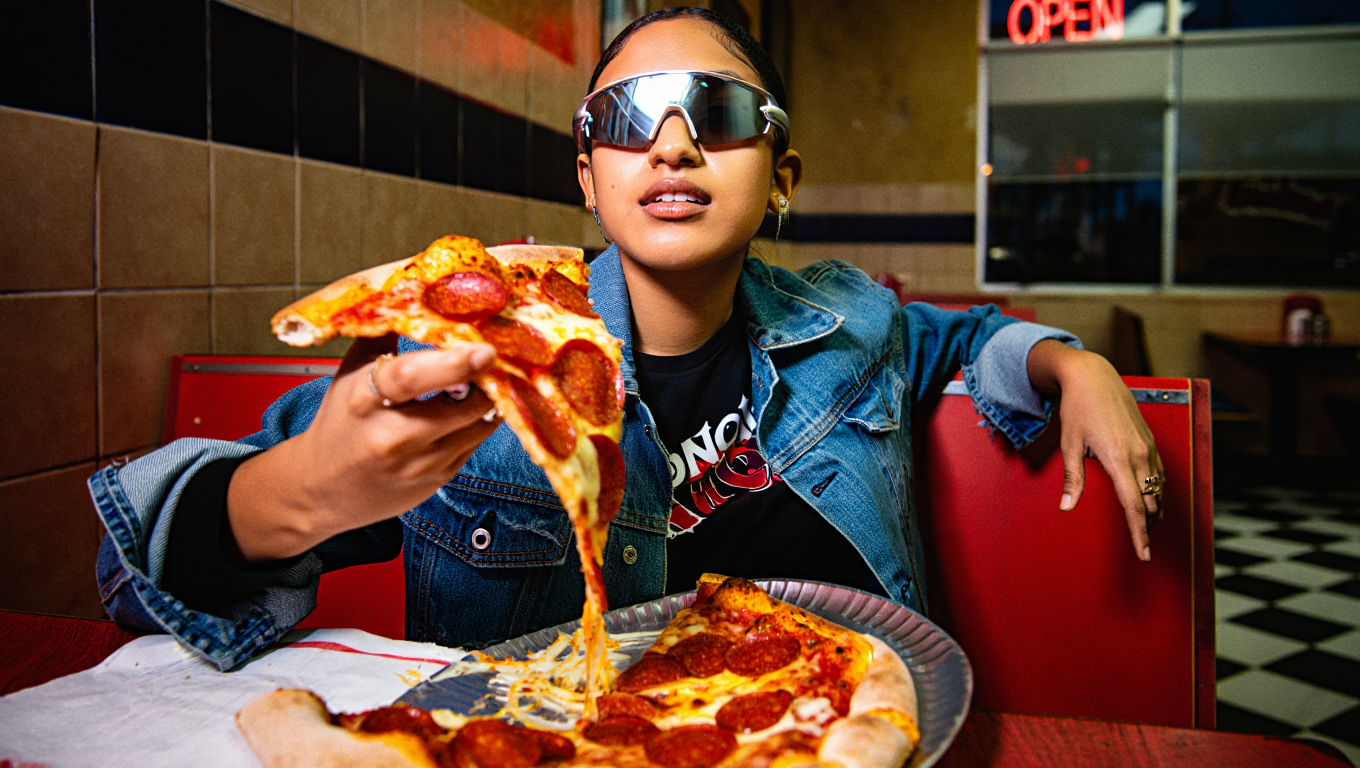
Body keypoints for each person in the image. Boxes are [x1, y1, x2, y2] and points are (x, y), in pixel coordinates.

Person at [91, 8, 1163, 671]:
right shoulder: (480, 360)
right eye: (627, 115)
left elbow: (961, 338)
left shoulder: (857, 322)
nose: (673, 142)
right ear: (587, 177)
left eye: (719, 110)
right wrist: (309, 493)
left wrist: (1071, 361)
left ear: (780, 177)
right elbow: (125, 571)